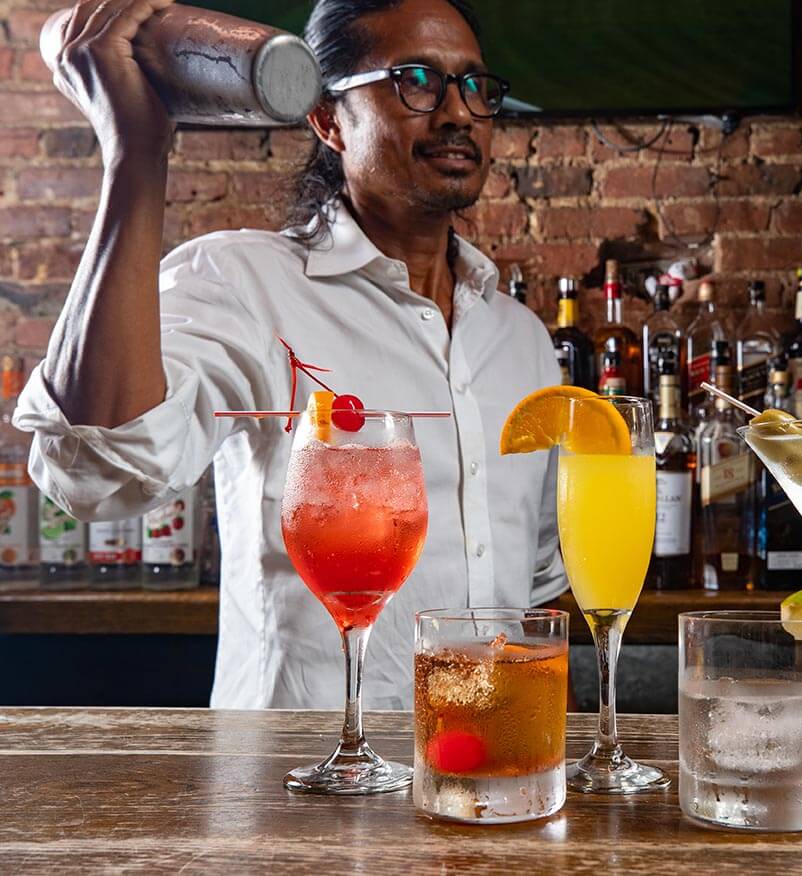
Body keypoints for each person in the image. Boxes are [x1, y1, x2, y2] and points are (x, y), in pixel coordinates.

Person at [16, 0, 566, 709]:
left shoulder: (521, 339)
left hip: (489, 779)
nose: (457, 111)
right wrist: (134, 154)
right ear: (329, 119)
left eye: (475, 86)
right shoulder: (246, 285)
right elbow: (95, 468)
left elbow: (538, 604)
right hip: (292, 796)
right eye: (417, 80)